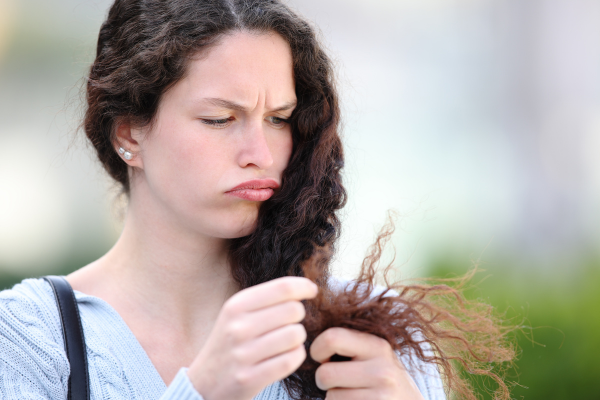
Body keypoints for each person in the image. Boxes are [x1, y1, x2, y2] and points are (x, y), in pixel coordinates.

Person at [1, 1, 512, 399]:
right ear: (130, 134)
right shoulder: (28, 338)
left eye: (279, 119)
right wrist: (203, 393)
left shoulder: (372, 333)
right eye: (220, 119)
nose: (260, 153)